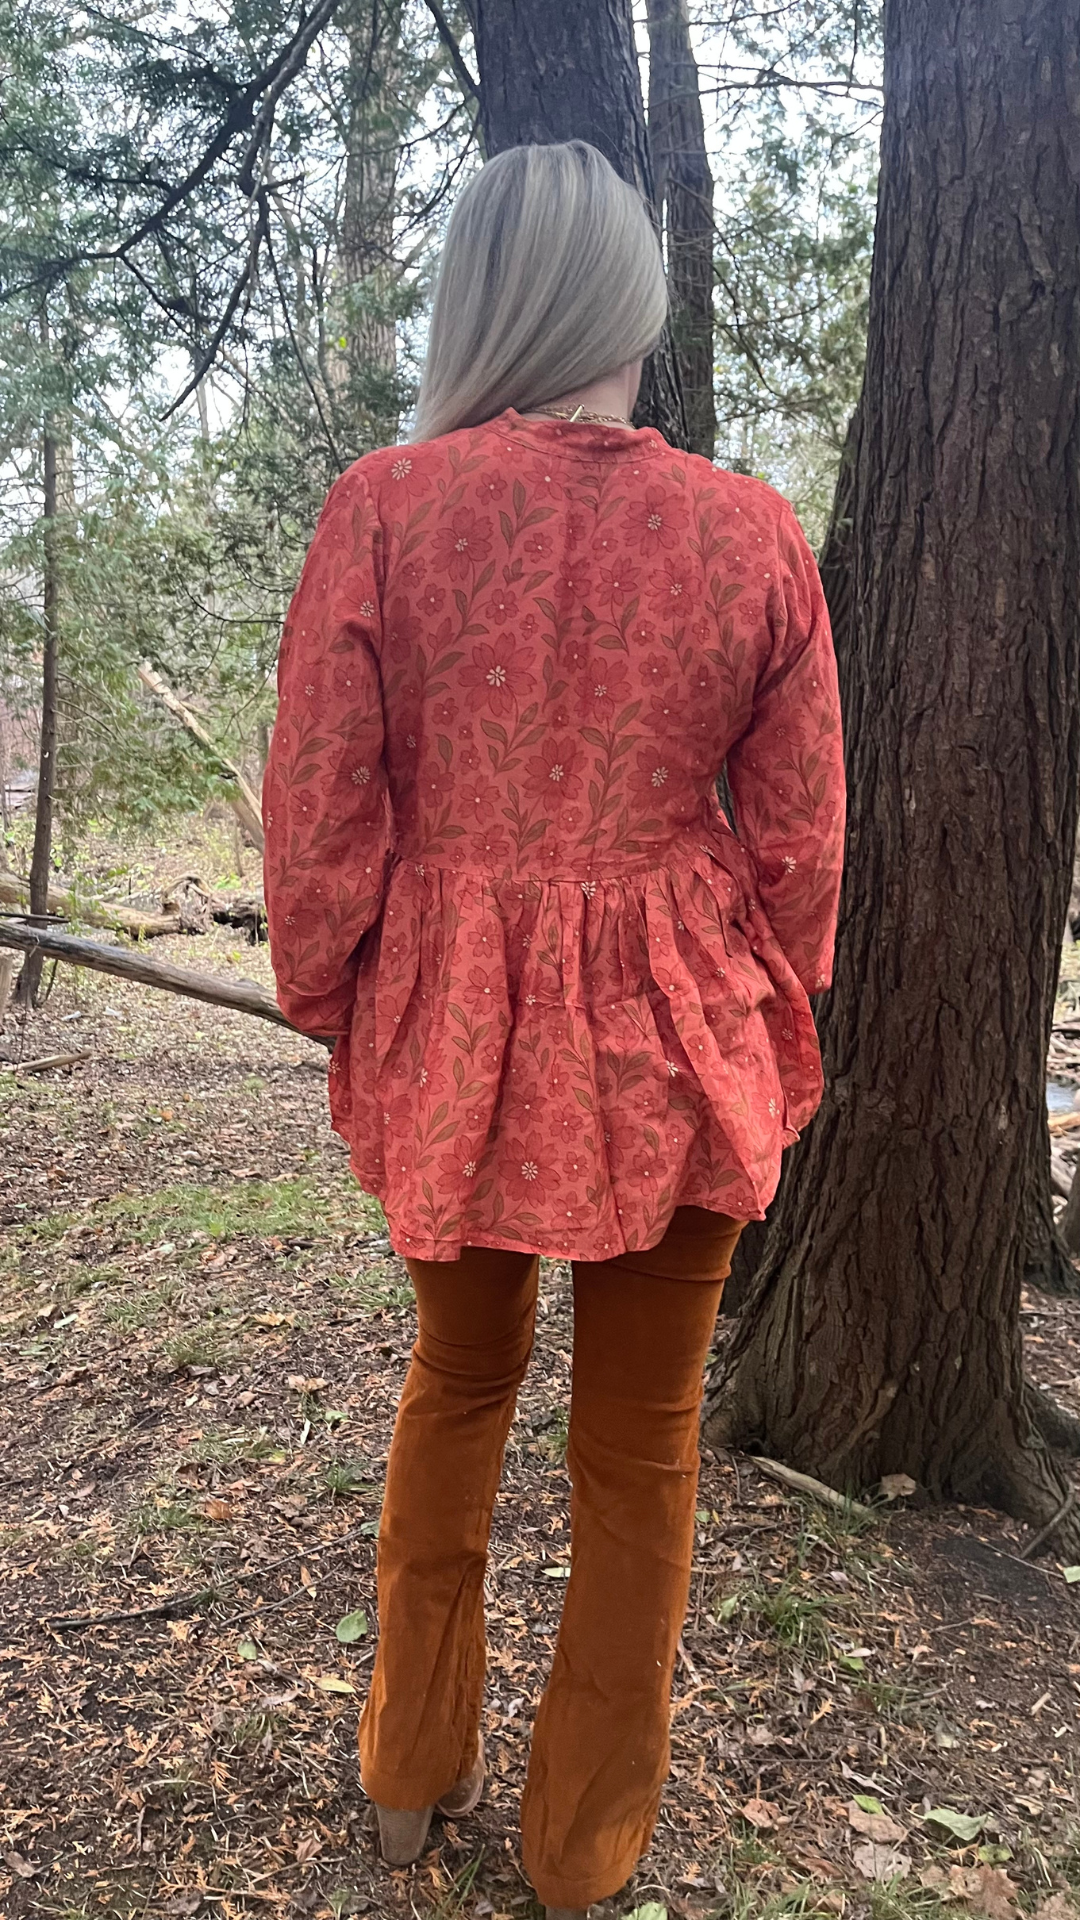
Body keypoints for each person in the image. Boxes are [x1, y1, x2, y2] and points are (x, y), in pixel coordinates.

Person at [264, 139, 844, 1920]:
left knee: (456, 1391)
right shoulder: (750, 531)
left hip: (460, 1041)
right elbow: (804, 839)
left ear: (484, 298)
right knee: (642, 1448)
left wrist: (342, 997)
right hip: (680, 1037)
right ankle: (583, 1851)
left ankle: (407, 1772)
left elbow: (318, 808)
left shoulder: (385, 507)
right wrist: (762, 1001)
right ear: (632, 304)